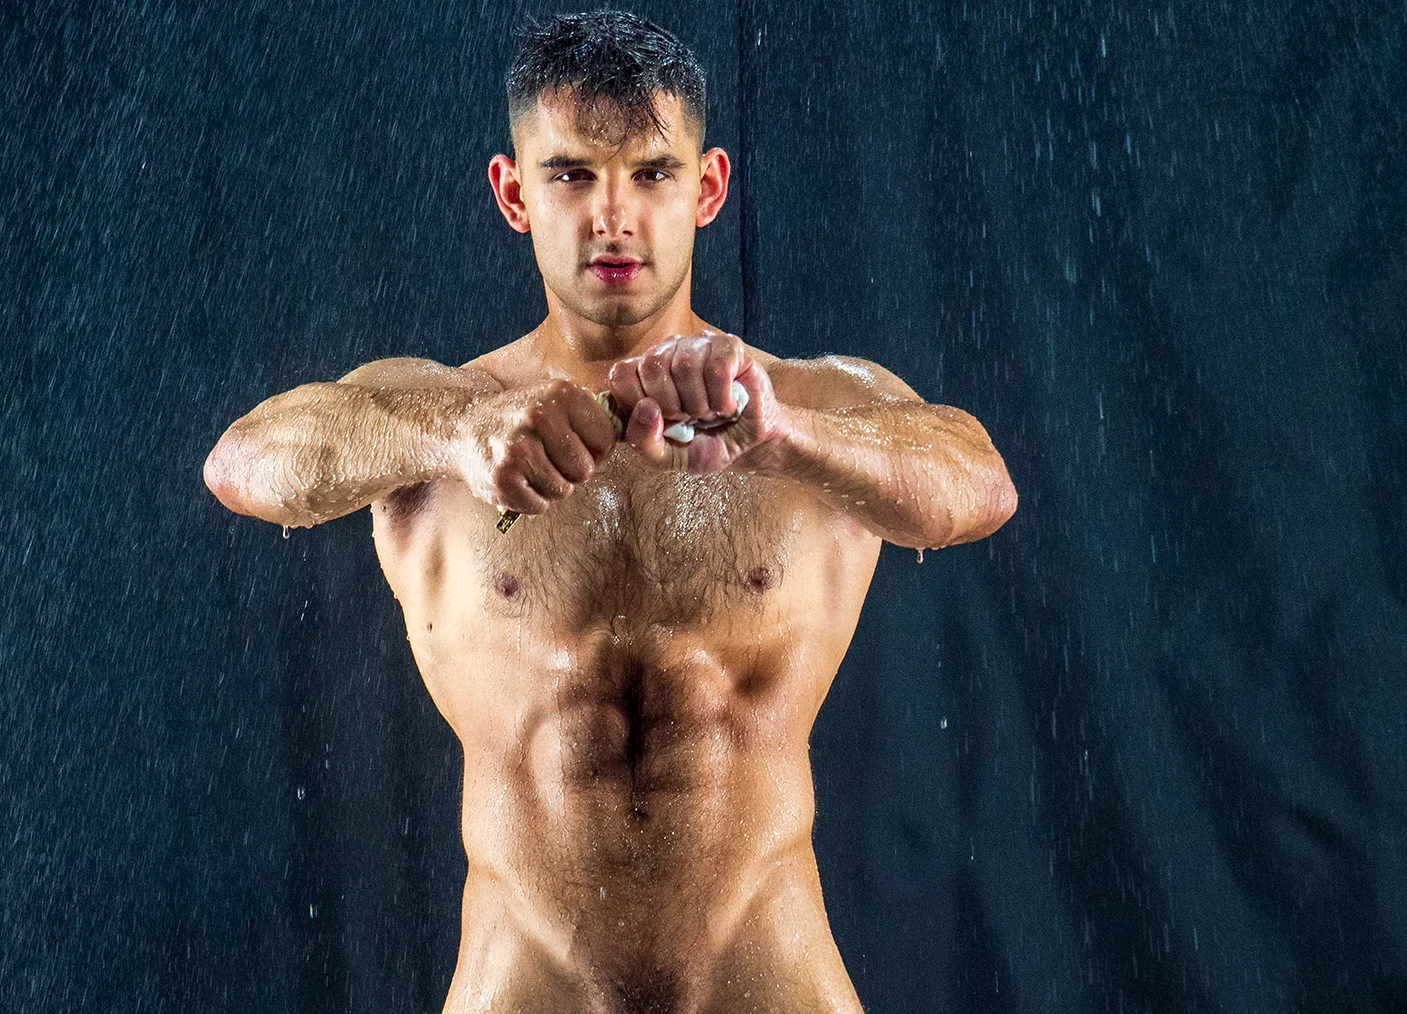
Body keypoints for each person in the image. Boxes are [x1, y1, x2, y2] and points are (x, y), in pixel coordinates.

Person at [203, 11, 1016, 1013]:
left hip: (768, 975)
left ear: (708, 188)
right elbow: (244, 461)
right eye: (572, 174)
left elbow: (978, 484)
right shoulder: (435, 410)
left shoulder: (806, 404)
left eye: (652, 173)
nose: (613, 217)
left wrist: (788, 439)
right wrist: (452, 437)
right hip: (524, 981)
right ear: (514, 193)